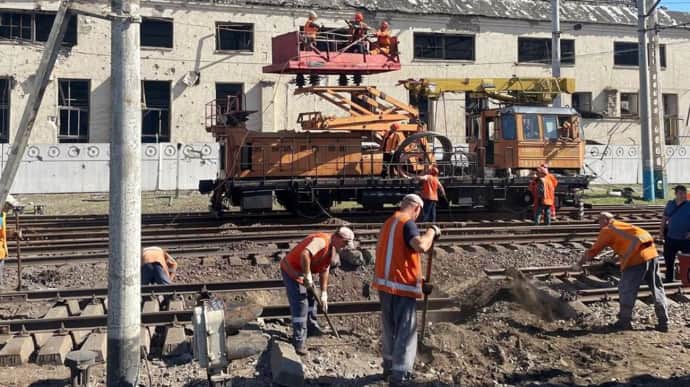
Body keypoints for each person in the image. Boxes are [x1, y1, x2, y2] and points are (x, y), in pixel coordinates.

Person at [373, 194, 440, 385]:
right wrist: (432, 231)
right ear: (417, 208)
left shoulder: (389, 222)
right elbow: (421, 246)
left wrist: (420, 279)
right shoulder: (407, 222)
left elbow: (397, 257)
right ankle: (400, 375)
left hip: (385, 285)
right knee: (406, 331)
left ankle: (388, 367)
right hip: (401, 288)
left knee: (389, 329)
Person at [573, 212, 668, 332]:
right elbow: (634, 241)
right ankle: (664, 322)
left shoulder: (607, 230)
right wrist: (616, 259)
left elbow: (593, 250)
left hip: (636, 259)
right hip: (652, 254)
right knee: (657, 288)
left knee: (626, 289)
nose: (599, 226)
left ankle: (624, 322)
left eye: (600, 222)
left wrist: (579, 264)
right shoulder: (622, 225)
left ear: (606, 220)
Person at [280, 226, 355, 355]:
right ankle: (299, 342)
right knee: (301, 305)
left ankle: (312, 327)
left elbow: (324, 270)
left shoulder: (333, 249)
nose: (345, 247)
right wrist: (308, 275)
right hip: (291, 269)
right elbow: (305, 254)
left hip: (303, 271)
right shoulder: (322, 241)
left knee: (312, 298)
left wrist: (324, 293)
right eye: (345, 243)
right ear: (337, 238)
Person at [659, 185, 690, 282]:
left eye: (684, 193)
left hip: (686, 238)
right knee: (669, 259)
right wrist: (661, 232)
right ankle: (669, 279)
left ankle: (687, 279)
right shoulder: (670, 204)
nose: (683, 195)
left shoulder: (689, 205)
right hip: (670, 237)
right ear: (676, 194)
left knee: (687, 260)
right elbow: (664, 219)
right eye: (680, 193)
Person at [0, 195, 19, 287]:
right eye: (8, 206)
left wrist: (12, 232)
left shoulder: (2, 215)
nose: (9, 209)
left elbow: (2, 232)